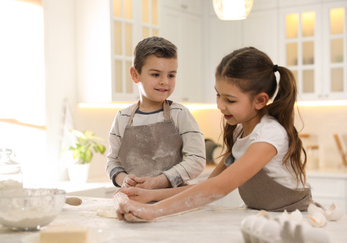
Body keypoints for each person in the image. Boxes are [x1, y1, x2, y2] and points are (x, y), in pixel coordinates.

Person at [116, 47, 314, 221]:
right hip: (265, 218)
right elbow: (208, 185)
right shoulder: (240, 132)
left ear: (260, 100)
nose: (220, 105)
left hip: (295, 222)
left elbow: (219, 188)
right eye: (218, 94)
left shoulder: (269, 136)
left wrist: (154, 211)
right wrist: (149, 196)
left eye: (230, 99)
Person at [106, 36, 206, 190]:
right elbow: (113, 162)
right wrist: (124, 179)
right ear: (135, 74)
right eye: (155, 74)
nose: (165, 82)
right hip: (134, 199)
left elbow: (197, 159)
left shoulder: (180, 114)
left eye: (171, 75)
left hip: (172, 200)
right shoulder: (122, 118)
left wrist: (160, 181)